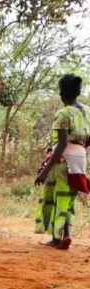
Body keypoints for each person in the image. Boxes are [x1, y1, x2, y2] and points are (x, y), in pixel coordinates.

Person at [35, 74, 90, 250]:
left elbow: (62, 144)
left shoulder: (64, 113)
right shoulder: (87, 111)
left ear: (62, 94)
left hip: (62, 159)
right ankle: (67, 235)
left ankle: (57, 239)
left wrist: (44, 171)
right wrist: (81, 149)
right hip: (80, 159)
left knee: (57, 195)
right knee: (68, 196)